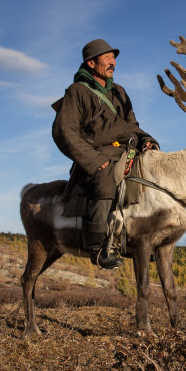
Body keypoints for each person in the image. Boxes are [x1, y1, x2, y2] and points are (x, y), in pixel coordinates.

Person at [52, 39, 159, 269]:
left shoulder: (119, 92)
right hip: (96, 155)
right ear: (91, 63)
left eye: (114, 57)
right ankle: (98, 248)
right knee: (105, 181)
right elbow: (64, 131)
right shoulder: (77, 92)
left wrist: (146, 140)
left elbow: (132, 125)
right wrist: (93, 160)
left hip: (124, 149)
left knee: (147, 178)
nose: (113, 62)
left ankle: (132, 242)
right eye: (107, 57)